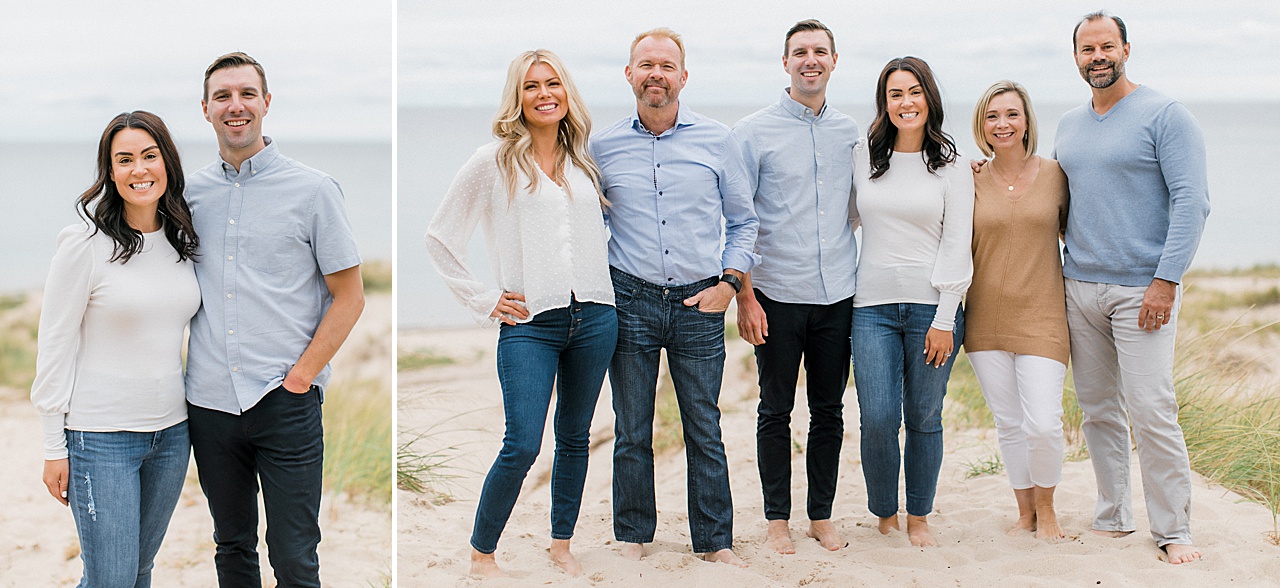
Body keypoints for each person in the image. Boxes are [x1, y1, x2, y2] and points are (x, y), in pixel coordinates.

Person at [425, 49, 617, 578]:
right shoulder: (492, 161)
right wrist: (485, 300)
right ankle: (482, 554)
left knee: (575, 436)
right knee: (522, 442)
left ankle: (561, 544)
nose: (544, 94)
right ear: (517, 97)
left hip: (597, 317)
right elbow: (440, 238)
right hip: (530, 325)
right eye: (531, 86)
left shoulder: (584, 161)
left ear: (567, 92)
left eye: (553, 83)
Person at [184, 51, 365, 586]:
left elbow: (350, 297)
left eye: (245, 94)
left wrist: (301, 377)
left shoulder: (314, 190)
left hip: (285, 401)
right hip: (210, 404)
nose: (235, 106)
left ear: (266, 103)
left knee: (293, 557)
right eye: (223, 96)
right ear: (205, 108)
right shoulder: (187, 195)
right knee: (231, 547)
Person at [591, 27, 758, 567]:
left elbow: (744, 221)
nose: (655, 74)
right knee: (631, 429)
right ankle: (634, 537)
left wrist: (729, 287)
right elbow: (584, 223)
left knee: (704, 428)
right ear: (629, 74)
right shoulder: (602, 146)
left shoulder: (717, 139)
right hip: (629, 298)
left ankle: (714, 542)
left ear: (683, 77)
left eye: (666, 65)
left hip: (700, 301)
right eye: (646, 64)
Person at [1055, 12, 1209, 564]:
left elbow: (1193, 201)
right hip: (1079, 287)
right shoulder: (1070, 124)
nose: (1097, 57)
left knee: (1151, 408)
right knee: (1098, 410)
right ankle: (1113, 514)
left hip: (1142, 292)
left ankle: (1173, 529)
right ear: (1075, 57)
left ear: (1125, 49)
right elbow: (1060, 196)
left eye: (1106, 47)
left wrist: (1166, 280)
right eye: (1086, 49)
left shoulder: (1166, 115)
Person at [32, 111, 201, 586]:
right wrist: (52, 444)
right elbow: (55, 345)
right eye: (123, 159)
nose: (139, 169)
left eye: (149, 155)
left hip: (171, 435)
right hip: (98, 437)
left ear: (166, 161)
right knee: (111, 578)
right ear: (109, 172)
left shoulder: (182, 240)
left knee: (138, 572)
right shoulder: (83, 243)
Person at [731, 19, 857, 554]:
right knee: (774, 410)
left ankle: (821, 516)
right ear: (785, 63)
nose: (811, 60)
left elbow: (865, 206)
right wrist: (745, 295)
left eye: (820, 51)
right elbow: (737, 220)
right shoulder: (751, 133)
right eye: (800, 52)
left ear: (834, 60)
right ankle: (777, 519)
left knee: (829, 410)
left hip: (839, 297)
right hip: (776, 296)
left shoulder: (855, 133)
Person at [851, 56, 973, 548]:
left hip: (932, 309)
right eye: (896, 94)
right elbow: (844, 220)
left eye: (914, 92)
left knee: (924, 416)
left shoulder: (953, 164)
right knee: (878, 418)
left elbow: (957, 243)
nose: (906, 102)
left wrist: (946, 317)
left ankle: (918, 515)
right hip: (870, 309)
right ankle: (884, 511)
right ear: (885, 102)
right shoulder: (862, 155)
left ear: (929, 99)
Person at [965, 81, 1069, 540]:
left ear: (1027, 120)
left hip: (1044, 316)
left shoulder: (1056, 174)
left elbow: (1080, 236)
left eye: (1011, 114)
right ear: (981, 126)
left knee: (1044, 424)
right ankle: (1024, 511)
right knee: (1009, 423)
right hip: (984, 318)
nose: (1002, 124)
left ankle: (1047, 508)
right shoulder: (967, 180)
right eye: (992, 116)